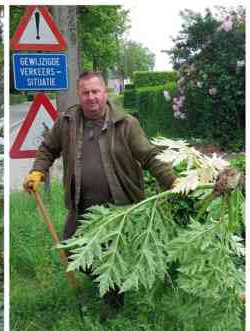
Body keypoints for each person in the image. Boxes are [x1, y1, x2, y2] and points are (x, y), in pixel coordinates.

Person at [22, 71, 176, 309]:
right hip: (81, 205)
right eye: (86, 92)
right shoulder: (67, 122)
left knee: (114, 253)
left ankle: (114, 303)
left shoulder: (126, 124)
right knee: (72, 250)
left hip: (119, 207)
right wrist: (37, 172)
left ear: (105, 92)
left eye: (96, 91)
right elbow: (47, 149)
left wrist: (173, 182)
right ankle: (106, 280)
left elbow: (149, 157)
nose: (91, 97)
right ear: (79, 95)